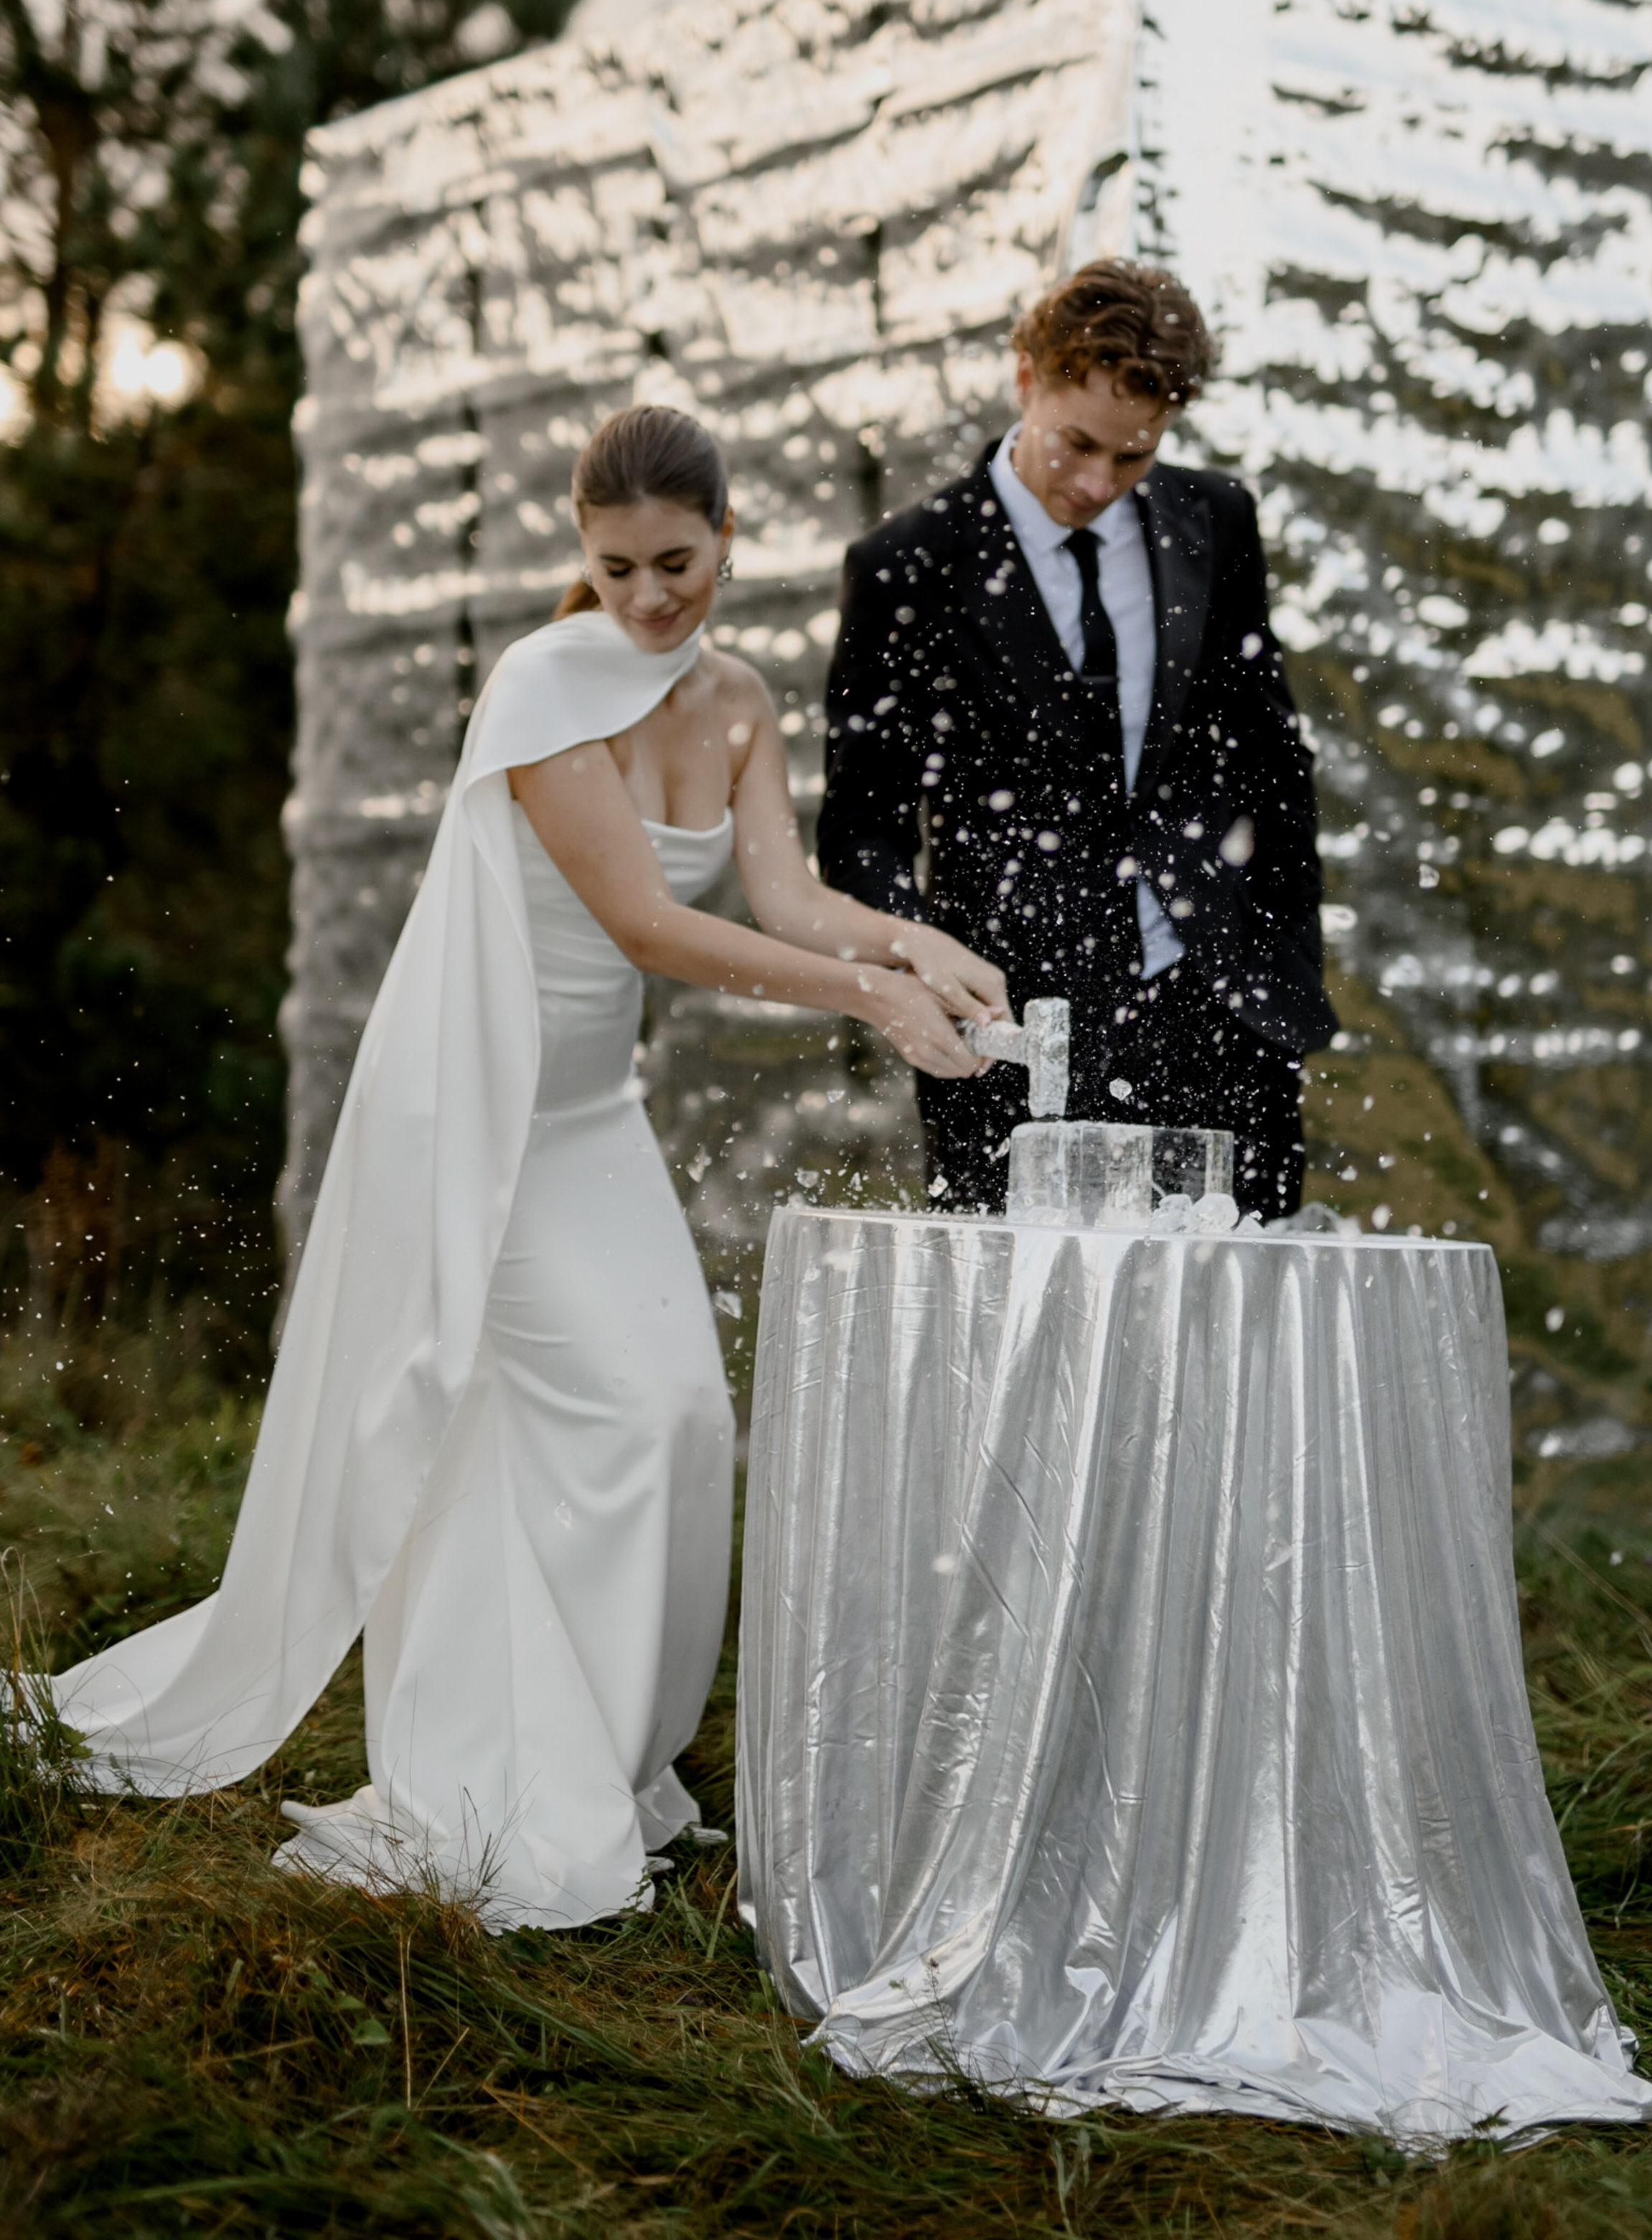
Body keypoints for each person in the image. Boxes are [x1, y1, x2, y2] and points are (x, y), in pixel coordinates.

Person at [50, 405, 1007, 1929]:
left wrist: (910, 941)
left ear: (726, 543)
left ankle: (609, 1764)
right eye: (616, 567)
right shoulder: (545, 687)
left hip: (587, 1114)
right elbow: (647, 929)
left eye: (676, 565)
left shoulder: (741, 697)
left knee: (680, 1415)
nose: (647, 600)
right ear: (582, 554)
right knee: (606, 1412)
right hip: (480, 1110)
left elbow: (780, 890)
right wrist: (869, 1002)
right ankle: (501, 1779)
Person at [818, 258, 1336, 1220]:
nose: (1098, 481)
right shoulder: (908, 565)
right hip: (1012, 1035)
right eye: (1077, 444)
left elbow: (1275, 762)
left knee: (1232, 1348)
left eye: (1133, 456)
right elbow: (863, 828)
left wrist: (1282, 967)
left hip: (1219, 1019)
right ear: (1027, 379)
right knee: (1027, 1350)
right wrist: (919, 969)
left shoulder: (1214, 524)